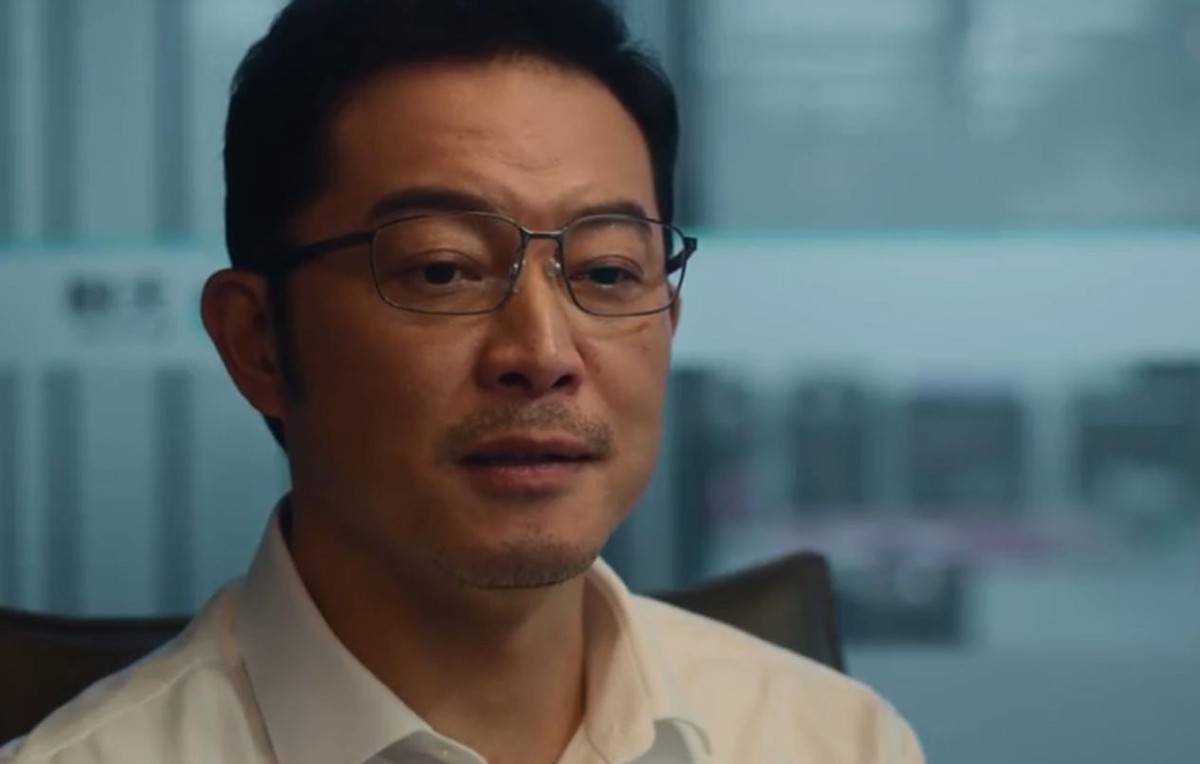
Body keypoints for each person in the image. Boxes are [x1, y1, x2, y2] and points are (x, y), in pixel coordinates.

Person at [3, 1, 923, 762]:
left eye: (606, 272)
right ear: (258, 343)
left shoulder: (828, 740)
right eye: (443, 270)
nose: (543, 352)